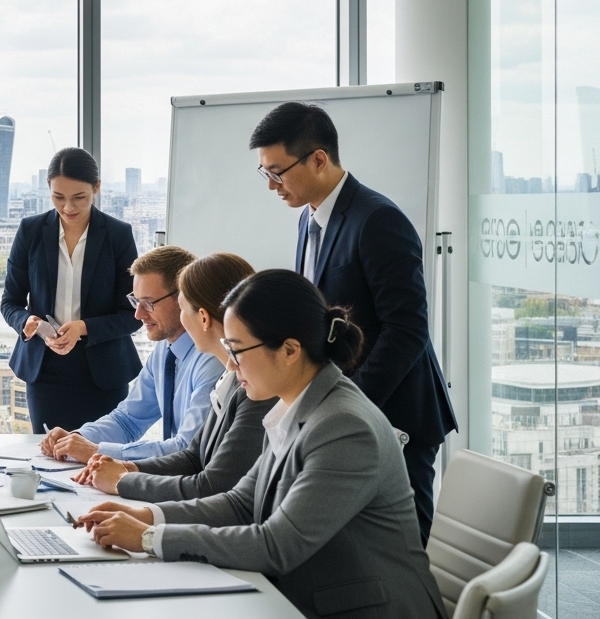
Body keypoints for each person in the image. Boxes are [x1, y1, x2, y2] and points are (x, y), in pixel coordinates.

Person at [75, 270, 447, 619]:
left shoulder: (345, 426)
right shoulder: (297, 402)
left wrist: (150, 537)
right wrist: (149, 516)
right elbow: (241, 503)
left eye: (237, 350)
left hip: (364, 609)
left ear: (289, 350)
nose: (232, 365)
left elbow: (276, 545)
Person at [250, 101, 456, 542]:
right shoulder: (308, 218)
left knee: (404, 545)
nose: (271, 186)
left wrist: (351, 404)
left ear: (318, 159)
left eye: (277, 172)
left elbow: (408, 328)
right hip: (341, 408)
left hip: (395, 410)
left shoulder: (377, 219)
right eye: (264, 173)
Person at [77, 252, 275, 502]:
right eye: (135, 301)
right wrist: (124, 468)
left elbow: (212, 483)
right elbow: (193, 455)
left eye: (182, 307)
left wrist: (124, 482)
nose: (138, 314)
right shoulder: (227, 372)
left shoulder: (246, 384)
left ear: (202, 317)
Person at [1, 148, 142, 430]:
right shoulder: (30, 231)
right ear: (48, 189)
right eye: (58, 197)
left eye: (79, 198)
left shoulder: (118, 235)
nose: (68, 208)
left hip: (103, 371)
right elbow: (10, 302)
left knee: (101, 458)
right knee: (49, 456)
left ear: (97, 188)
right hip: (45, 372)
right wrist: (26, 321)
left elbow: (132, 313)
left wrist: (83, 327)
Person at [41, 246, 223, 464]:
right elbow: (129, 419)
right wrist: (78, 438)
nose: (138, 314)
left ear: (182, 299)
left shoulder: (212, 359)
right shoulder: (164, 350)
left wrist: (96, 451)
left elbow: (187, 448)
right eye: (136, 302)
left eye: (148, 303)